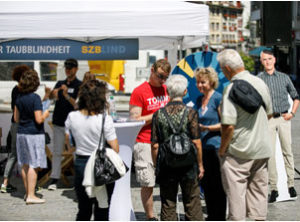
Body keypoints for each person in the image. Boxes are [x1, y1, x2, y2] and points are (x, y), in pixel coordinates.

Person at [217, 49, 273, 221]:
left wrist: (222, 150)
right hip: (262, 148)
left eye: (222, 69)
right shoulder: (260, 83)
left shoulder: (231, 89)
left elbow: (228, 126)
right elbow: (269, 114)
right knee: (259, 194)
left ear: (227, 68)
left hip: (239, 152)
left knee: (236, 196)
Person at [151, 74, 204, 221]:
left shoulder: (158, 114)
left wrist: (156, 165)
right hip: (188, 164)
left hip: (167, 164)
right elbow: (197, 142)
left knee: (168, 202)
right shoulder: (191, 113)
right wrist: (200, 164)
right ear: (185, 92)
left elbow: (155, 145)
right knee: (192, 201)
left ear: (167, 92)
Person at [65, 79, 119, 220]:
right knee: (102, 209)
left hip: (81, 164)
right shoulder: (104, 119)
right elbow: (115, 148)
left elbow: (69, 145)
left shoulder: (72, 117)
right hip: (101, 166)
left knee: (83, 210)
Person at [129, 59, 171, 220]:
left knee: (168, 180)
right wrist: (156, 115)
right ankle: (150, 217)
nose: (162, 81)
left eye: (165, 78)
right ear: (152, 70)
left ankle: (167, 214)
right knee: (148, 181)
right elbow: (134, 119)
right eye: (160, 76)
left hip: (165, 142)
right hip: (145, 140)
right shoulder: (140, 91)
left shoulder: (167, 89)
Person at [258, 50, 300, 202]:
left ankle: (290, 185)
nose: (267, 62)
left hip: (283, 118)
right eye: (264, 59)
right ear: (261, 61)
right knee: (270, 154)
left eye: (270, 59)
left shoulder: (284, 78)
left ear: (274, 60)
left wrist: (292, 113)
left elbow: (296, 97)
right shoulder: (259, 79)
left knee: (287, 151)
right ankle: (274, 188)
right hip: (268, 119)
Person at [194, 67, 227, 221]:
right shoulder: (199, 100)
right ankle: (211, 215)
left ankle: (219, 215)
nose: (200, 85)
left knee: (218, 184)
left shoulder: (218, 98)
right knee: (206, 183)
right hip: (202, 148)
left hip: (216, 147)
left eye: (203, 82)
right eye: (198, 82)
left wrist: (207, 127)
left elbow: (225, 124)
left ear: (211, 82)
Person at [14, 70, 50, 204]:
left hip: (21, 133)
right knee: (34, 165)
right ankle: (31, 195)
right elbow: (39, 119)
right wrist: (46, 114)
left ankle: (27, 193)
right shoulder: (35, 98)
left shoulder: (18, 98)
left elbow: (16, 118)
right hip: (34, 134)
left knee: (25, 164)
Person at [48, 58, 82, 190]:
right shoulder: (59, 83)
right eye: (66, 68)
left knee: (75, 152)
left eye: (71, 68)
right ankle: (54, 178)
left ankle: (78, 180)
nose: (68, 70)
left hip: (73, 125)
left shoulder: (79, 85)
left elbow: (77, 105)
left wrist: (67, 95)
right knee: (57, 151)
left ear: (76, 69)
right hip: (58, 122)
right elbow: (52, 99)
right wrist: (51, 94)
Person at [1, 65, 31, 193]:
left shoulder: (15, 89)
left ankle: (5, 183)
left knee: (13, 155)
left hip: (14, 124)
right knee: (27, 156)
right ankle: (30, 186)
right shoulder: (26, 90)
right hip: (23, 125)